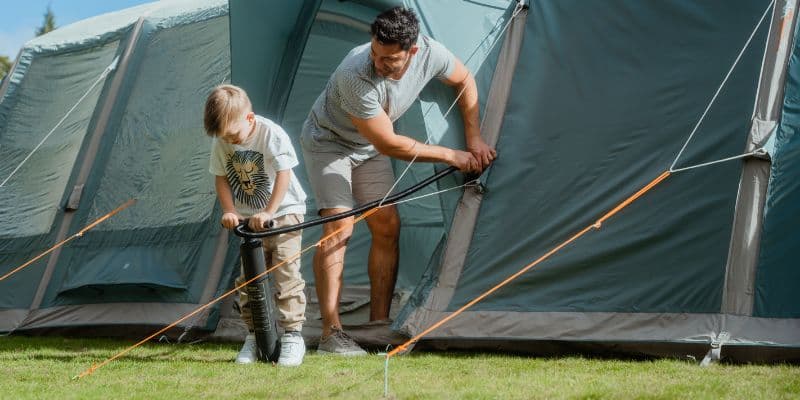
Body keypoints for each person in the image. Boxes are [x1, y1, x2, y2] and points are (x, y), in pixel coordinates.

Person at [300, 7, 496, 356]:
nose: (379, 63)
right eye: (376, 53)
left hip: (367, 149)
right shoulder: (354, 72)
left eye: (389, 59)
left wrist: (474, 139)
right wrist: (453, 156)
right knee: (340, 229)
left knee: (388, 225)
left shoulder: (432, 53)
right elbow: (389, 143)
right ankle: (332, 334)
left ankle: (378, 327)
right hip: (328, 144)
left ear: (413, 51)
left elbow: (465, 80)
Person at [204, 84, 308, 366]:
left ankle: (292, 336)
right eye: (225, 137)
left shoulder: (270, 134)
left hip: (284, 213)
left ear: (249, 119)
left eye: (234, 135)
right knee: (249, 280)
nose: (231, 142)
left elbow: (285, 174)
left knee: (286, 275)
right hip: (249, 221)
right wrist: (228, 209)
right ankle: (256, 337)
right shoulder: (224, 137)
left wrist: (269, 211)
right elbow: (221, 176)